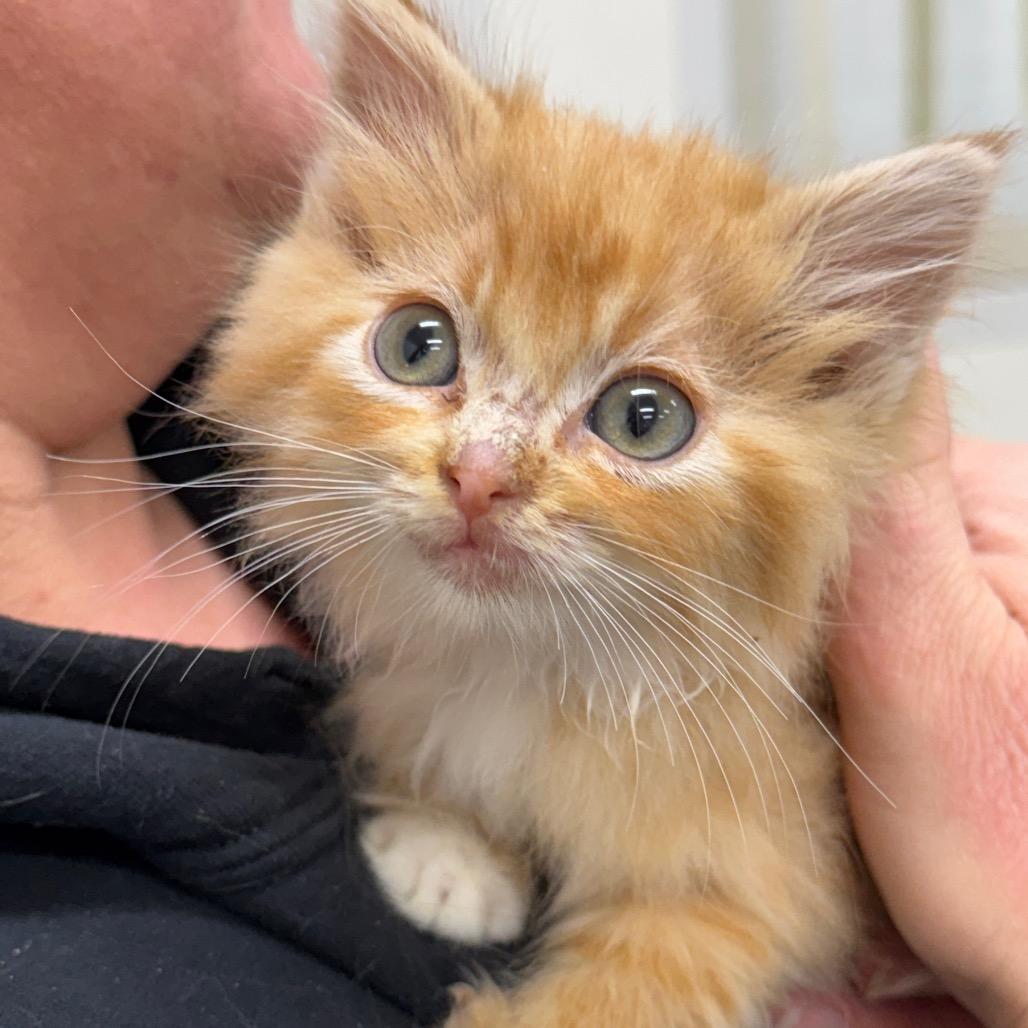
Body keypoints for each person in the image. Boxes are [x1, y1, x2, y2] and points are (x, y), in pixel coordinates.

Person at [1, 2, 1025, 1026]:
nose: (481, 468)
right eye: (423, 349)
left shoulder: (724, 737)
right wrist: (436, 800)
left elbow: (737, 904)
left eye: (640, 416)